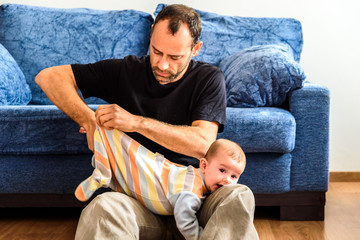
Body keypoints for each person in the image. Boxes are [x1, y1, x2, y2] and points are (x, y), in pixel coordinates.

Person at [35, 4, 259, 240]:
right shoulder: (125, 71)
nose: (163, 65)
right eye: (156, 51)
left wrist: (136, 123)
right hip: (139, 206)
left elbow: (203, 144)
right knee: (103, 208)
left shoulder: (208, 78)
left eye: (175, 57)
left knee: (238, 195)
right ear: (151, 36)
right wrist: (89, 121)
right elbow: (49, 77)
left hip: (197, 203)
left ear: (196, 49)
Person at [75, 125, 246, 240]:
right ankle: (104, 163)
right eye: (222, 171)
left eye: (234, 176)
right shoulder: (191, 191)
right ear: (203, 165)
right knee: (104, 205)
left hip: (175, 201)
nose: (227, 179)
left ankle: (103, 163)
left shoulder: (192, 175)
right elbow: (185, 219)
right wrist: (198, 236)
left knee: (240, 194)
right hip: (150, 201)